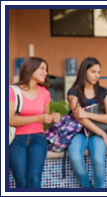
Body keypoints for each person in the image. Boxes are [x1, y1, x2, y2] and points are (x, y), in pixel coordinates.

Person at [9, 57, 61, 188]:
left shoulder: (45, 93)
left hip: (38, 138)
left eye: (46, 69)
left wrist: (53, 118)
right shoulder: (12, 91)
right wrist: (39, 118)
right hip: (16, 139)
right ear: (30, 69)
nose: (46, 73)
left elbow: (45, 118)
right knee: (21, 181)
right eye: (42, 69)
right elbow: (9, 119)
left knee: (34, 180)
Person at [67, 57, 107, 188]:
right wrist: (103, 134)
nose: (97, 75)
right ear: (84, 71)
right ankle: (87, 188)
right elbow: (79, 118)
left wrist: (86, 113)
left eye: (99, 72)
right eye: (93, 71)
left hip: (97, 136)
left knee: (99, 161)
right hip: (79, 133)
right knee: (75, 159)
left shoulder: (104, 92)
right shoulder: (74, 92)